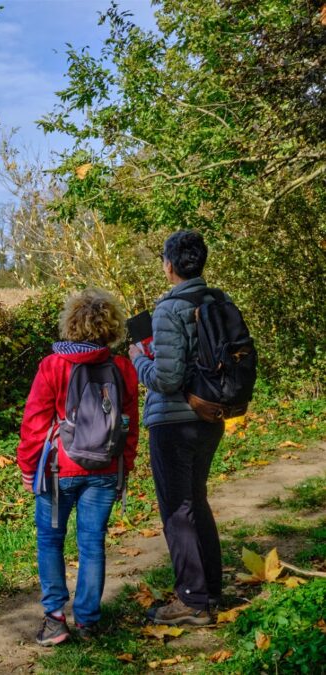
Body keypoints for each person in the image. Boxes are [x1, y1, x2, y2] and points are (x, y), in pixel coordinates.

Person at [17, 288, 139, 646]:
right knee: (92, 545)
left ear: (71, 324)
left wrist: (28, 467)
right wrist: (124, 467)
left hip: (58, 473)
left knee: (50, 542)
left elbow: (35, 423)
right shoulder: (122, 368)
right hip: (103, 471)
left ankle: (55, 621)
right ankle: (87, 622)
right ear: (111, 325)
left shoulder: (53, 365)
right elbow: (129, 425)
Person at [128, 230, 223, 625]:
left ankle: (192, 601)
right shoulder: (216, 300)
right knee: (196, 502)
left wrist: (138, 358)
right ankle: (209, 591)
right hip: (210, 416)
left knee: (176, 510)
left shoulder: (168, 309)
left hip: (173, 421)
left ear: (169, 265)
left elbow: (166, 379)